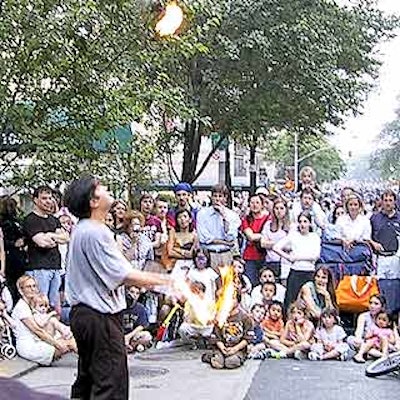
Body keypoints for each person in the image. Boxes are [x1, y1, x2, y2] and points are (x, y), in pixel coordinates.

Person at [64, 175, 173, 400]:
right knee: (110, 383)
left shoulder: (84, 229)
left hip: (86, 315)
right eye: (101, 188)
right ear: (93, 201)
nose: (106, 188)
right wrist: (168, 281)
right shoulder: (95, 231)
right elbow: (122, 274)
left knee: (89, 380)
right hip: (98, 317)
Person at [23, 186, 69, 310]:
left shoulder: (54, 220)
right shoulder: (30, 220)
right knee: (40, 304)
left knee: (54, 306)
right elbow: (42, 242)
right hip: (39, 267)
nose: (48, 201)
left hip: (56, 267)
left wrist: (49, 235)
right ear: (35, 200)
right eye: (44, 198)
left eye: (50, 198)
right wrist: (54, 237)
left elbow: (65, 238)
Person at [11, 275, 71, 365]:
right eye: (28, 286)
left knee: (72, 339)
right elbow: (37, 330)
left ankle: (89, 366)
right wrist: (57, 344)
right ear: (21, 290)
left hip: (38, 341)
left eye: (34, 286)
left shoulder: (33, 304)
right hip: (29, 346)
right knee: (70, 344)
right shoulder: (21, 307)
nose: (32, 289)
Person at [273, 211, 321, 311]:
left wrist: (297, 257)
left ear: (310, 223)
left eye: (305, 221)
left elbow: (315, 256)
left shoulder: (315, 237)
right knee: (291, 301)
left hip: (309, 272)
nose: (302, 224)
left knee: (309, 302)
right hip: (295, 271)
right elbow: (276, 247)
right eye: (300, 221)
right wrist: (288, 257)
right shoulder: (293, 236)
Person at [202, 291, 253, 369]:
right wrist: (222, 348)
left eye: (232, 298)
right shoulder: (220, 317)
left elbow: (247, 338)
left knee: (231, 362)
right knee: (218, 364)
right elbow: (216, 336)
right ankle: (211, 356)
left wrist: (235, 349)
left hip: (238, 349)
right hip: (221, 348)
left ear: (238, 301)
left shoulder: (245, 317)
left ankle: (236, 358)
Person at [370, 189, 400, 315]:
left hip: (395, 257)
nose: (388, 203)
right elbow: (367, 237)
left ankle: (393, 315)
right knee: (380, 287)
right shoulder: (374, 218)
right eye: (385, 200)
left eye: (390, 200)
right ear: (381, 202)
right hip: (380, 258)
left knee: (394, 288)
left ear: (395, 202)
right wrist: (373, 243)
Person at [197, 184, 241, 269]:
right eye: (215, 196)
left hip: (226, 254)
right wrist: (225, 242)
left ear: (225, 198)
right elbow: (204, 238)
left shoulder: (233, 215)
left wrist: (224, 217)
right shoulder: (202, 214)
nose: (217, 199)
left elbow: (230, 238)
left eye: (220, 196)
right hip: (208, 253)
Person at [0, 197, 27, 301]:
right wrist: (13, 244)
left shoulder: (16, 221)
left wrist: (23, 240)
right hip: (10, 256)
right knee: (11, 283)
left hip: (18, 256)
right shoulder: (5, 223)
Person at [240, 194, 270, 286]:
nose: (254, 205)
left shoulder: (268, 218)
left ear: (262, 205)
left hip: (265, 256)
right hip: (250, 257)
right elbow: (250, 236)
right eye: (252, 202)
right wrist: (263, 236)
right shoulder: (246, 220)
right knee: (250, 283)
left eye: (257, 202)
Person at [260, 197, 290, 281]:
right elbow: (263, 243)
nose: (279, 211)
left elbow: (290, 246)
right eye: (276, 208)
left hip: (286, 263)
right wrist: (281, 244)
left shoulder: (292, 226)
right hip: (270, 262)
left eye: (281, 208)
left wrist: (271, 244)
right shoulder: (268, 225)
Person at [166, 209, 198, 276]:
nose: (182, 219)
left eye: (185, 216)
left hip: (191, 266)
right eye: (179, 217)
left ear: (190, 220)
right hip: (174, 265)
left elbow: (193, 254)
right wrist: (184, 253)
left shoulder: (194, 235)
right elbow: (170, 252)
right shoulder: (173, 233)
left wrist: (176, 249)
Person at [122, 286, 152, 353]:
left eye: (137, 293)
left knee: (147, 336)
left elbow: (141, 326)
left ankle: (130, 347)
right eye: (132, 292)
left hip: (132, 335)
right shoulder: (120, 306)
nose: (134, 295)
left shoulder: (140, 308)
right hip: (119, 335)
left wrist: (128, 337)